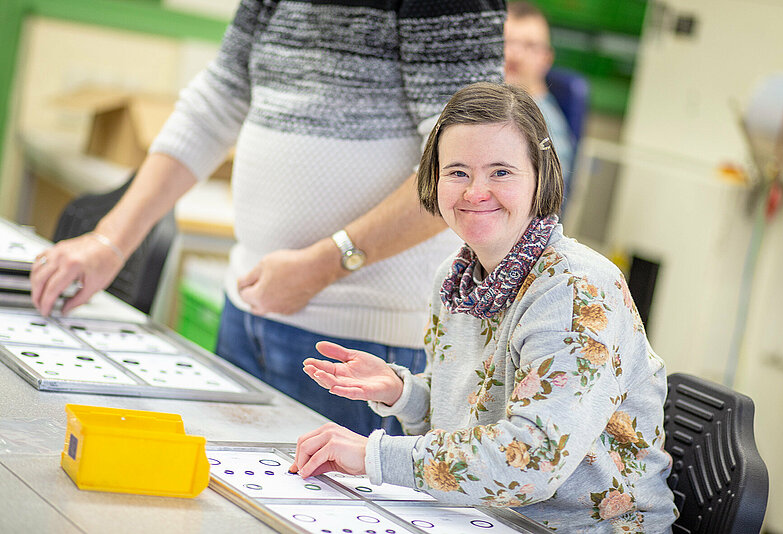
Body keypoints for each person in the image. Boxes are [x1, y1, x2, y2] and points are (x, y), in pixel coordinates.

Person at [29, 1, 506, 437]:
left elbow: (463, 169)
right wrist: (111, 240)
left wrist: (324, 265)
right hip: (248, 313)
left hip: (361, 344)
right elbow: (215, 104)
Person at [290, 82, 677, 532]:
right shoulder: (455, 279)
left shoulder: (575, 288)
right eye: (457, 172)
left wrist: (371, 455)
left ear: (541, 177)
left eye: (501, 172)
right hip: (481, 518)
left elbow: (532, 459)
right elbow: (464, 425)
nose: (475, 191)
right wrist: (404, 394)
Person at [504, 1, 576, 204]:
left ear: (546, 59)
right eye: (506, 42)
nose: (514, 54)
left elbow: (543, 203)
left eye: (529, 46)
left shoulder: (547, 126)